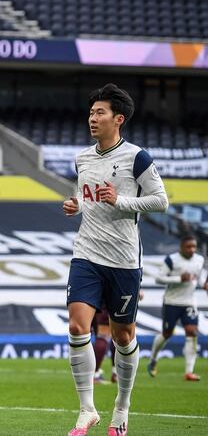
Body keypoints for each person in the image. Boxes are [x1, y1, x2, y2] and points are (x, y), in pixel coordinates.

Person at [62, 83, 168, 436]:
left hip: (123, 260)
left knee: (124, 336)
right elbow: (85, 197)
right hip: (86, 254)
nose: (93, 118)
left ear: (118, 119)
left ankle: (121, 407)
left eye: (100, 112)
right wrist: (76, 205)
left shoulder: (138, 158)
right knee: (78, 327)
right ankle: (87, 409)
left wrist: (121, 201)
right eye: (91, 112)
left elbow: (160, 201)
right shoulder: (82, 158)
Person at [148, 234, 208, 381]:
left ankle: (189, 372)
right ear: (181, 247)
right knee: (167, 334)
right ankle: (153, 359)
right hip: (172, 302)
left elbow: (198, 278)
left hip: (189, 302)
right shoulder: (171, 260)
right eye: (188, 246)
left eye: (194, 246)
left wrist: (204, 284)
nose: (192, 249)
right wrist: (178, 278)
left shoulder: (199, 260)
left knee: (192, 332)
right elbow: (159, 278)